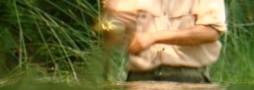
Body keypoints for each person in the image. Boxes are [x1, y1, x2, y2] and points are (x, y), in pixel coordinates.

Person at [97, 0, 227, 83]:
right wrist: (112, 20)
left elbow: (211, 32)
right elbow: (113, 36)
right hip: (140, 80)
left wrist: (153, 38)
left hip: (189, 79)